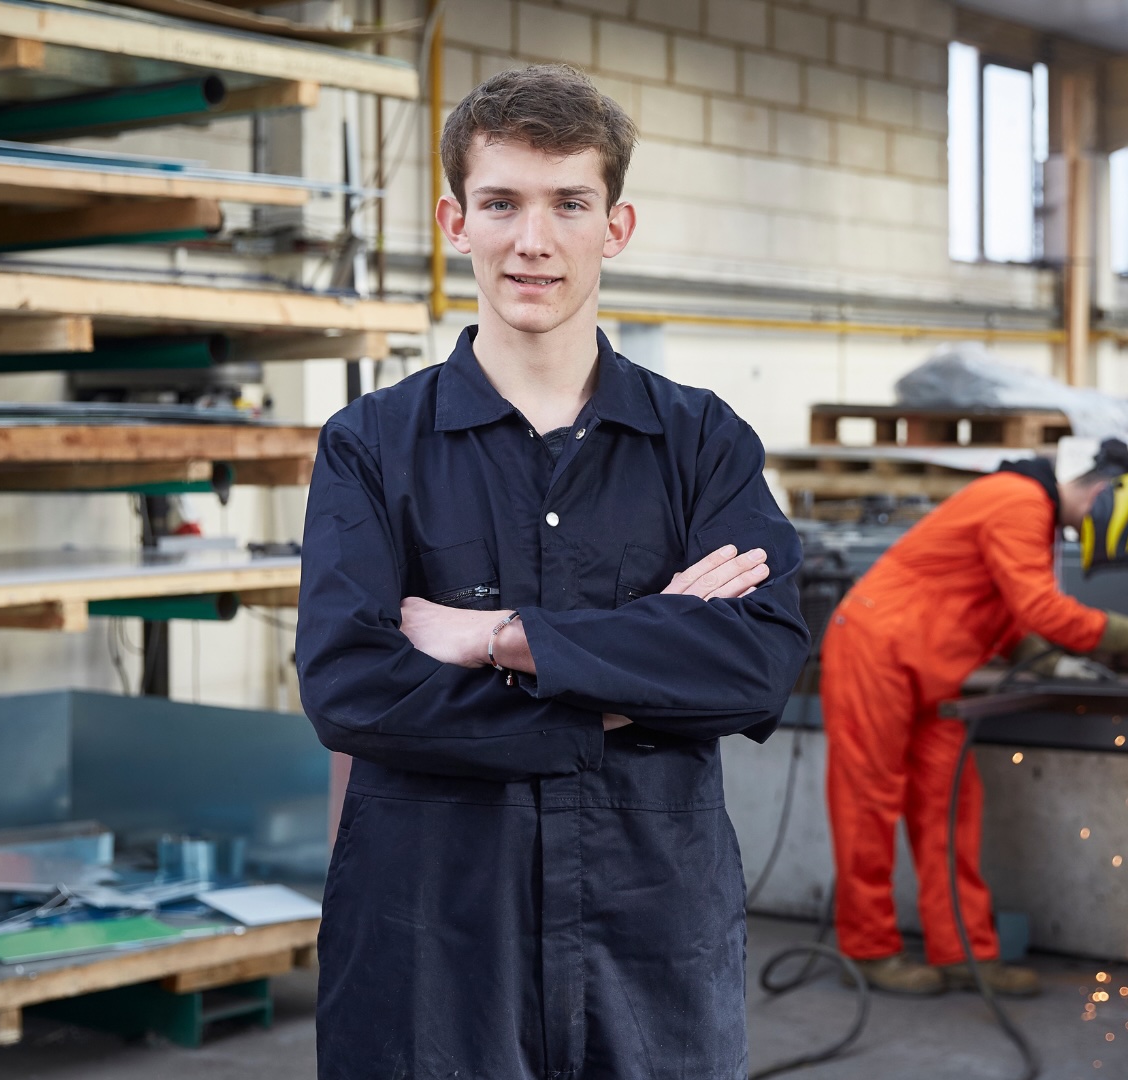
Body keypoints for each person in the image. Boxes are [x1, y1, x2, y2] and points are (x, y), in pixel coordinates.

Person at [295, 64, 810, 1080]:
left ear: (614, 226)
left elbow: (754, 665)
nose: (534, 242)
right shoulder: (371, 446)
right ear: (456, 219)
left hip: (649, 931)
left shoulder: (701, 442)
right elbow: (352, 690)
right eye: (503, 204)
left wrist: (502, 642)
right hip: (434, 941)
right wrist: (628, 678)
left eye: (569, 202)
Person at [819, 441, 1128, 996]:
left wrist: (1048, 658)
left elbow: (1001, 606)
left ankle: (964, 953)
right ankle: (869, 951)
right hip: (877, 652)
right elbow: (1039, 606)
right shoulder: (1018, 501)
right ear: (1103, 493)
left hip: (935, 671)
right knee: (868, 804)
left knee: (950, 809)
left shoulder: (1028, 512)